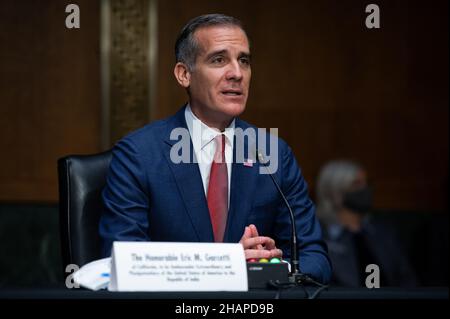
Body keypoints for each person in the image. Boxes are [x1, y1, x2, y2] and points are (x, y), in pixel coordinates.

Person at [99, 14, 331, 284]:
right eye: (218, 60)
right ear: (184, 74)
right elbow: (123, 262)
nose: (237, 73)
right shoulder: (139, 154)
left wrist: (273, 268)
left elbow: (315, 258)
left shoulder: (272, 153)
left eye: (244, 60)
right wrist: (229, 265)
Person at [315, 160, 418, 287]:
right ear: (335, 193)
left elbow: (406, 279)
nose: (365, 189)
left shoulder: (383, 233)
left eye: (367, 183)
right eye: (356, 184)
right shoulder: (317, 237)